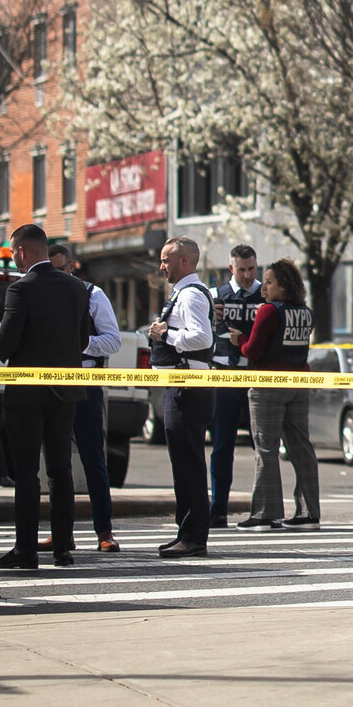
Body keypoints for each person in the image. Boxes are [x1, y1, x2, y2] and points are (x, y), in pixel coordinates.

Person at [0, 223, 92, 571]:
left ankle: (26, 550)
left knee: (26, 472)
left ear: (22, 250)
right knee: (60, 470)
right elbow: (83, 340)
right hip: (65, 390)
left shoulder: (21, 289)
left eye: (13, 252)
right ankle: (63, 548)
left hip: (27, 394)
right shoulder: (76, 287)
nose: (14, 259)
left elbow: (5, 347)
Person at [232, 258, 321, 530]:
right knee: (301, 447)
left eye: (269, 282)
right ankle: (309, 513)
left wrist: (239, 341)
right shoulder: (306, 313)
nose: (264, 288)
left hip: (267, 383)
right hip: (298, 382)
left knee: (266, 448)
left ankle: (266, 513)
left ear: (283, 286)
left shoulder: (269, 311)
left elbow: (253, 351)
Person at [47, 242, 122, 555]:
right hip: (53, 383)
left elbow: (113, 341)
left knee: (93, 458)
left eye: (61, 269)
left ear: (72, 267)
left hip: (86, 379)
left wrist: (79, 344)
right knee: (56, 462)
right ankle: (61, 533)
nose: (57, 276)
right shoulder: (43, 296)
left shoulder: (92, 295)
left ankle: (104, 531)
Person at [147, 235, 217, 558]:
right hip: (182, 385)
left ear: (185, 261)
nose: (162, 266)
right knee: (184, 462)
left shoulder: (190, 296)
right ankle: (186, 532)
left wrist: (166, 334)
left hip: (187, 386)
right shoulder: (185, 293)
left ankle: (192, 536)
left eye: (166, 260)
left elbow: (201, 338)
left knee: (188, 463)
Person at [209, 243, 262, 530]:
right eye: (241, 269)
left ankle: (263, 508)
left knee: (262, 446)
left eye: (251, 269)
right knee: (221, 444)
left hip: (254, 376)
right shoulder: (214, 295)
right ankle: (218, 508)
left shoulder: (263, 296)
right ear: (231, 268)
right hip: (224, 374)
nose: (247, 275)